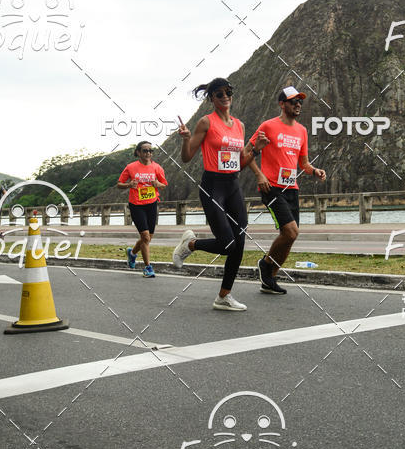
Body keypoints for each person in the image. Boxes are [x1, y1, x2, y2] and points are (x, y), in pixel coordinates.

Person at [173, 77, 267, 311]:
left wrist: (255, 149)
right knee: (227, 244)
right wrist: (185, 140)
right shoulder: (206, 122)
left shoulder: (240, 125)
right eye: (219, 94)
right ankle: (190, 244)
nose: (225, 96)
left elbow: (239, 163)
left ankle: (223, 297)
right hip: (212, 185)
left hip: (232, 185)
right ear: (212, 98)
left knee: (240, 242)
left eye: (228, 92)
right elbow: (187, 157)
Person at [246, 86, 326, 294]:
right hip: (271, 187)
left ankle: (270, 279)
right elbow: (246, 153)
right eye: (292, 101)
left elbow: (304, 164)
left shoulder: (301, 131)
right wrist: (259, 175)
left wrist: (314, 171)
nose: (297, 104)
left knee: (290, 236)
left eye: (300, 101)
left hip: (292, 188)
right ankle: (265, 264)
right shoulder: (268, 126)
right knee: (291, 231)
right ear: (282, 104)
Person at [117, 141, 168, 277]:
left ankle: (132, 253)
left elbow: (164, 184)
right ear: (138, 152)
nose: (148, 153)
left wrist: (158, 184)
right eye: (145, 150)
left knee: (148, 238)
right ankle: (147, 268)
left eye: (150, 151)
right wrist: (129, 184)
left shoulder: (157, 168)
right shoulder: (131, 167)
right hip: (136, 205)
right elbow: (119, 184)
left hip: (151, 204)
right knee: (145, 236)